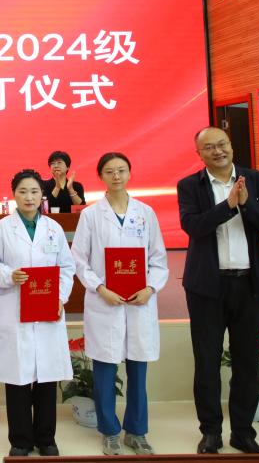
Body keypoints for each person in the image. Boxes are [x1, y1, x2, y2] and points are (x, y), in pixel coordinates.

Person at [178, 127, 259, 455]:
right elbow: (193, 226)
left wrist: (247, 204)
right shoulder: (189, 185)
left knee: (247, 362)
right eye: (209, 147)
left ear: (231, 145)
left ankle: (243, 432)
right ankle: (210, 432)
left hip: (250, 285)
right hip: (207, 287)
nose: (217, 151)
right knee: (207, 363)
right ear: (199, 154)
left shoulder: (257, 181)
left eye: (221, 144)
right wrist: (227, 205)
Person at [71, 152, 169, 456]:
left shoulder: (145, 213)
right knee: (104, 369)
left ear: (129, 173)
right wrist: (100, 288)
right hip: (106, 301)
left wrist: (150, 288)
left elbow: (158, 258)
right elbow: (79, 260)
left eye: (121, 170)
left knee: (138, 371)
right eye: (110, 171)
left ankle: (137, 431)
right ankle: (110, 432)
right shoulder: (91, 215)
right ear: (100, 176)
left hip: (140, 301)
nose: (116, 176)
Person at [0, 169, 75, 458]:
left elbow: (67, 267)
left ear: (42, 195)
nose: (29, 197)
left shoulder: (53, 228)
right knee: (18, 379)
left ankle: (46, 438)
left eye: (34, 191)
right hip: (16, 309)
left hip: (47, 310)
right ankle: (21, 440)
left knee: (47, 378)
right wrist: (9, 275)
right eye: (23, 191)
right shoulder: (2, 228)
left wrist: (60, 297)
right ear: (14, 194)